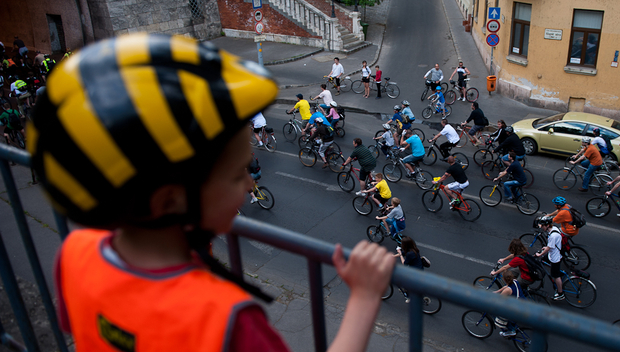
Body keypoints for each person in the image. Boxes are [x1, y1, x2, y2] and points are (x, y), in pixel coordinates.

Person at [32, 33, 395, 352]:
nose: (248, 182)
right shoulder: (227, 320)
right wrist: (363, 298)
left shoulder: (76, 255)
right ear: (170, 200)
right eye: (238, 173)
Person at [534, 216, 564, 300]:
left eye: (542, 225)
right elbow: (550, 245)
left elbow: (548, 248)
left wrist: (540, 254)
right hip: (554, 254)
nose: (542, 227)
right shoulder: (554, 229)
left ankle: (560, 293)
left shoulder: (553, 236)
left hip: (555, 258)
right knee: (543, 261)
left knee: (556, 276)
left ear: (547, 225)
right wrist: (546, 247)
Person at [492, 270, 526, 337]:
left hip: (516, 307)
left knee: (500, 313)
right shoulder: (515, 281)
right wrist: (497, 291)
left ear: (504, 279)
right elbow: (506, 286)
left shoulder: (507, 290)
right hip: (523, 302)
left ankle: (511, 330)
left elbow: (499, 299)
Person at [393, 236, 422, 303]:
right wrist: (394, 256)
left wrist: (400, 254)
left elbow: (404, 263)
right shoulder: (414, 249)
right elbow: (403, 253)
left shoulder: (410, 254)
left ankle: (409, 297)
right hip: (419, 269)